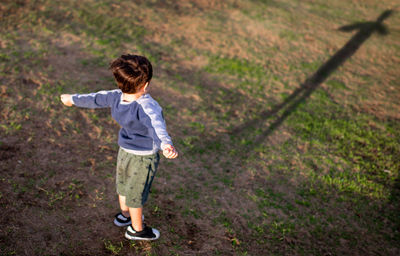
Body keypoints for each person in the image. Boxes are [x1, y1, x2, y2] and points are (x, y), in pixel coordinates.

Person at [60, 54, 178, 241]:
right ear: (145, 84)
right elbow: (157, 126)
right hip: (144, 157)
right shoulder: (147, 105)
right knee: (136, 193)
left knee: (123, 185)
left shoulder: (115, 96)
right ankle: (137, 230)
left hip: (124, 150)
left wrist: (72, 99)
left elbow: (94, 99)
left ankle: (125, 215)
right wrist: (166, 145)